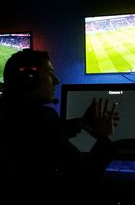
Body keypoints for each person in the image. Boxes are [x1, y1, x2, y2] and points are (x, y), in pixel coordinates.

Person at [0, 49, 117, 204]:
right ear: (30, 79)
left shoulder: (9, 111)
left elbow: (37, 138)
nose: (56, 80)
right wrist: (105, 138)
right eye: (49, 73)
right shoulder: (43, 117)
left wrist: (81, 123)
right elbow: (84, 175)